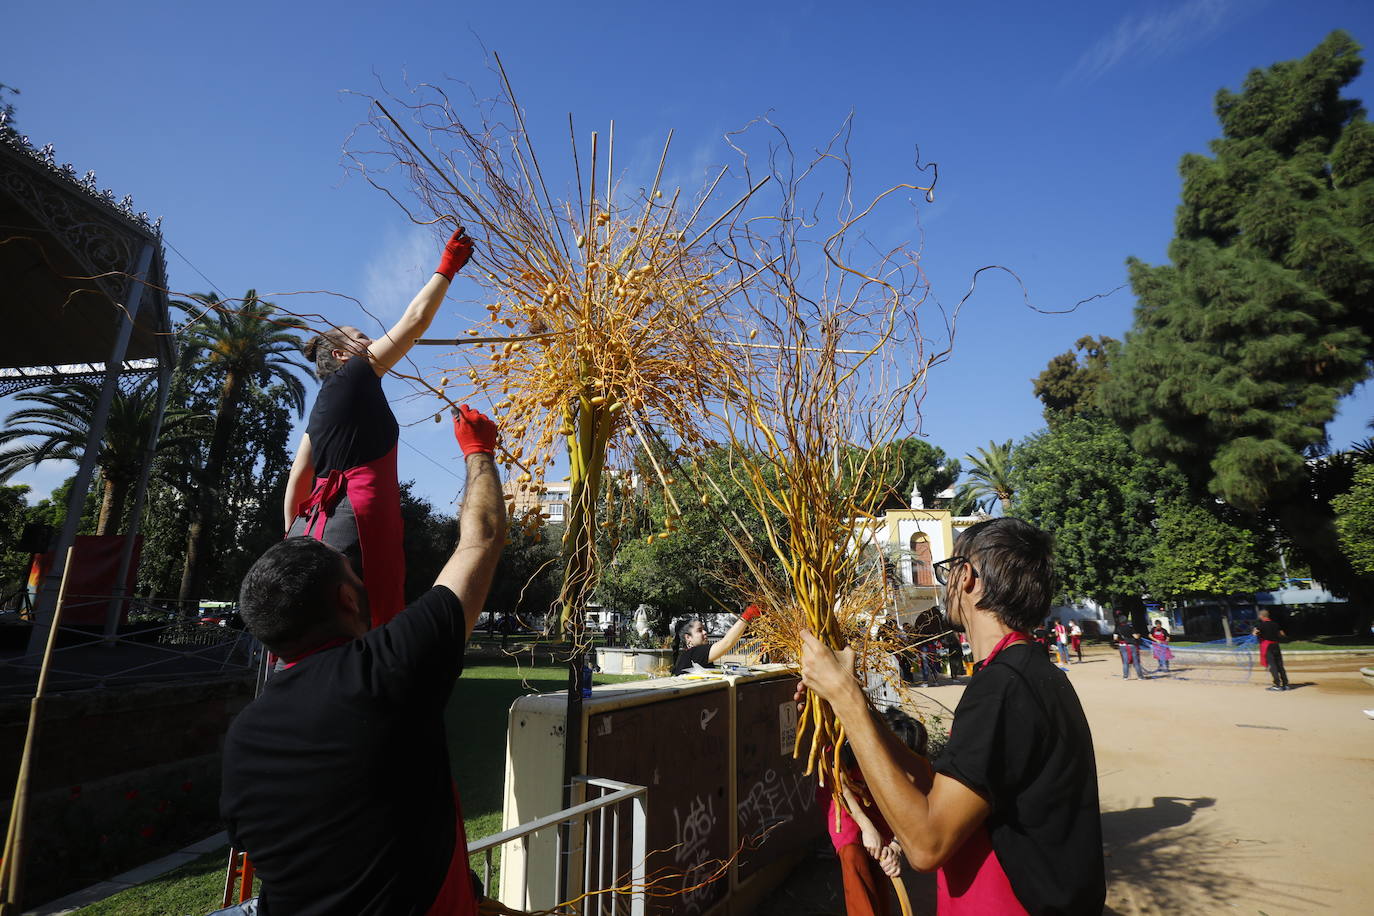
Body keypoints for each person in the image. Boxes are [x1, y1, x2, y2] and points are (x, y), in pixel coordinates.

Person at [222, 405, 504, 915]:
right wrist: (478, 451)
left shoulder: (244, 734)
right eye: (354, 575)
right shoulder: (386, 669)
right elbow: (479, 539)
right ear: (349, 601)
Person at [798, 517, 1106, 914]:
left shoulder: (1003, 688)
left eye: (947, 570)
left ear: (968, 578)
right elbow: (939, 786)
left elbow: (927, 846)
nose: (944, 585)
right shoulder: (1028, 672)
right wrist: (854, 707)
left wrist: (846, 699)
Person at [284, 229, 474, 628]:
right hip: (357, 522)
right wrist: (447, 267)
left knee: (314, 625)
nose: (371, 341)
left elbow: (298, 479)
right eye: (361, 338)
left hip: (315, 527)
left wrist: (293, 542)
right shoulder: (353, 375)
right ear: (341, 354)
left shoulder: (322, 407)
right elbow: (416, 320)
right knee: (361, 629)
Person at [823, 709, 928, 916]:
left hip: (880, 803)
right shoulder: (853, 743)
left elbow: (911, 810)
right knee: (853, 854)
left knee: (880, 861)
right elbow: (838, 782)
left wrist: (896, 848)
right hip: (845, 798)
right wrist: (866, 826)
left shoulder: (917, 769)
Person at [671, 607, 762, 675]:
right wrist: (748, 615)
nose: (705, 632)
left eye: (704, 629)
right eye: (699, 630)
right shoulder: (694, 653)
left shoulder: (687, 655)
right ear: (688, 638)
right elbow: (727, 643)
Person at [1252, 609, 1290, 691]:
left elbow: (1254, 634)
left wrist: (1256, 630)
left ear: (1261, 616)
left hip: (1267, 646)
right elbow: (1282, 634)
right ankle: (1286, 684)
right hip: (1276, 645)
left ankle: (1277, 685)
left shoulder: (1261, 625)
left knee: (1272, 666)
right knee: (1280, 665)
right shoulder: (1275, 624)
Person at [1113, 615, 1146, 680]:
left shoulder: (1117, 628)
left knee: (1125, 662)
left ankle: (1125, 676)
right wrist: (1139, 635)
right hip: (1132, 646)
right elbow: (1136, 637)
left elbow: (1115, 638)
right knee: (1136, 662)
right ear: (1126, 621)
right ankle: (1140, 676)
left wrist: (1122, 640)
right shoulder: (1130, 627)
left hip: (1122, 646)